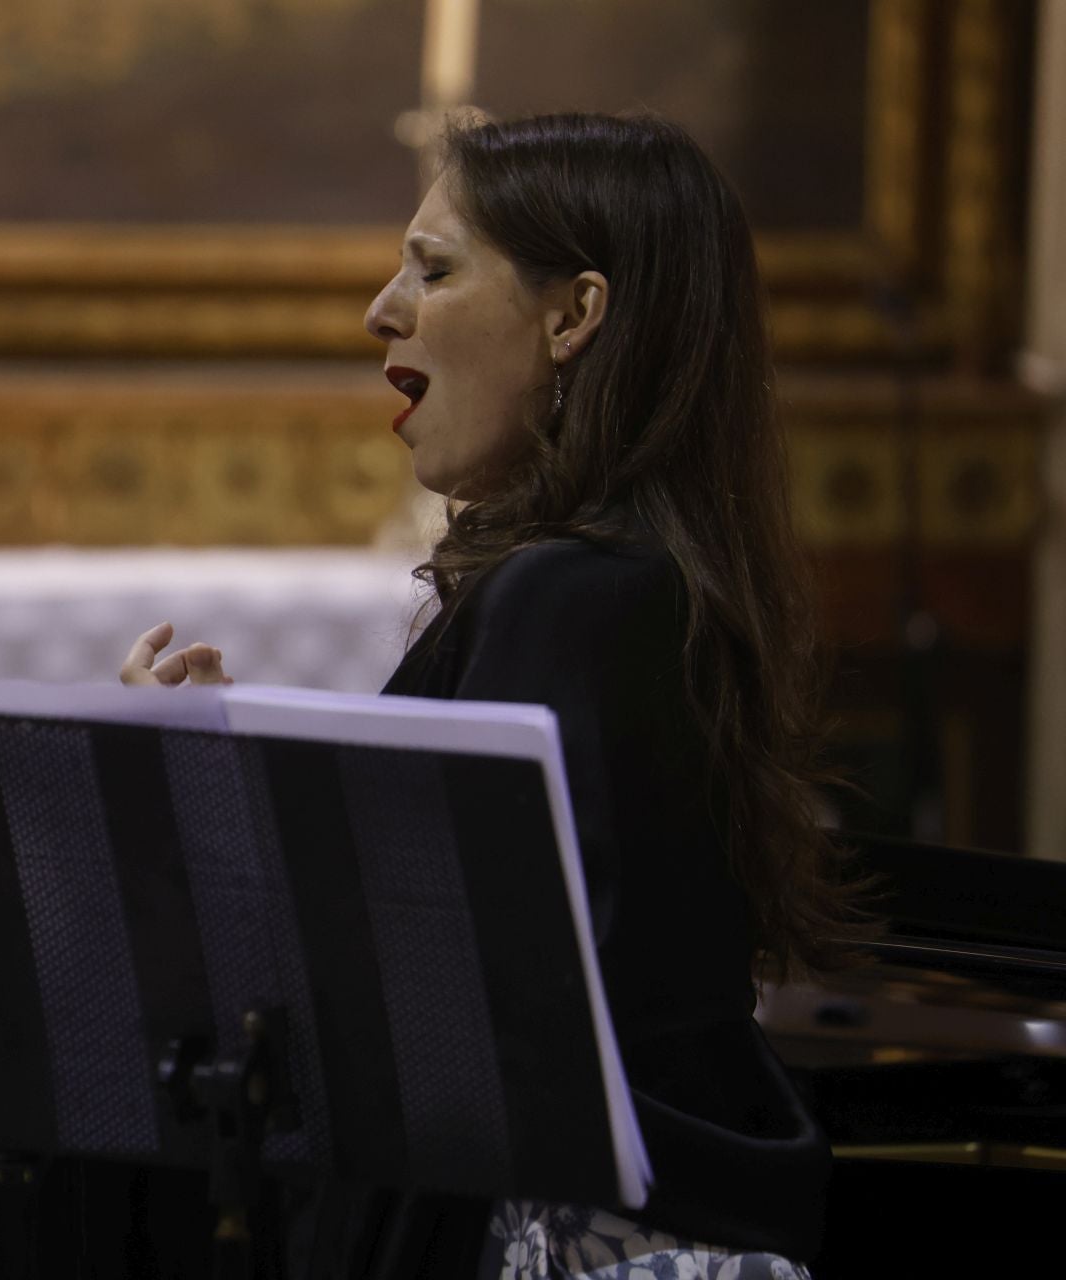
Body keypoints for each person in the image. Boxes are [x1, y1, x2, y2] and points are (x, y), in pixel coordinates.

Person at [125, 113, 847, 1277]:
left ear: (575, 317)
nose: (382, 309)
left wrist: (197, 791)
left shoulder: (576, 591)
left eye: (436, 267)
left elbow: (446, 995)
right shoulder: (634, 574)